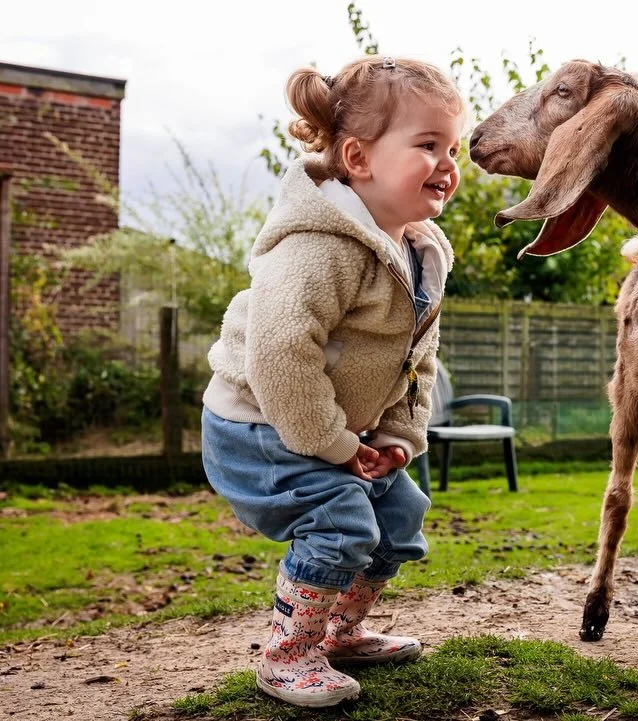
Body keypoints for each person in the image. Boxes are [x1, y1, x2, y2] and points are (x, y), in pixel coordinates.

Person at [200, 55, 464, 707]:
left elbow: (417, 357)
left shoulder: (422, 253)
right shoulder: (318, 246)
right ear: (359, 157)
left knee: (399, 514)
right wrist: (338, 446)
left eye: (452, 147)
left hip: (339, 429)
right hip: (258, 423)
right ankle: (287, 654)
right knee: (340, 516)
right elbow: (281, 353)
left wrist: (400, 434)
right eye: (427, 144)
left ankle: (338, 632)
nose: (448, 162)